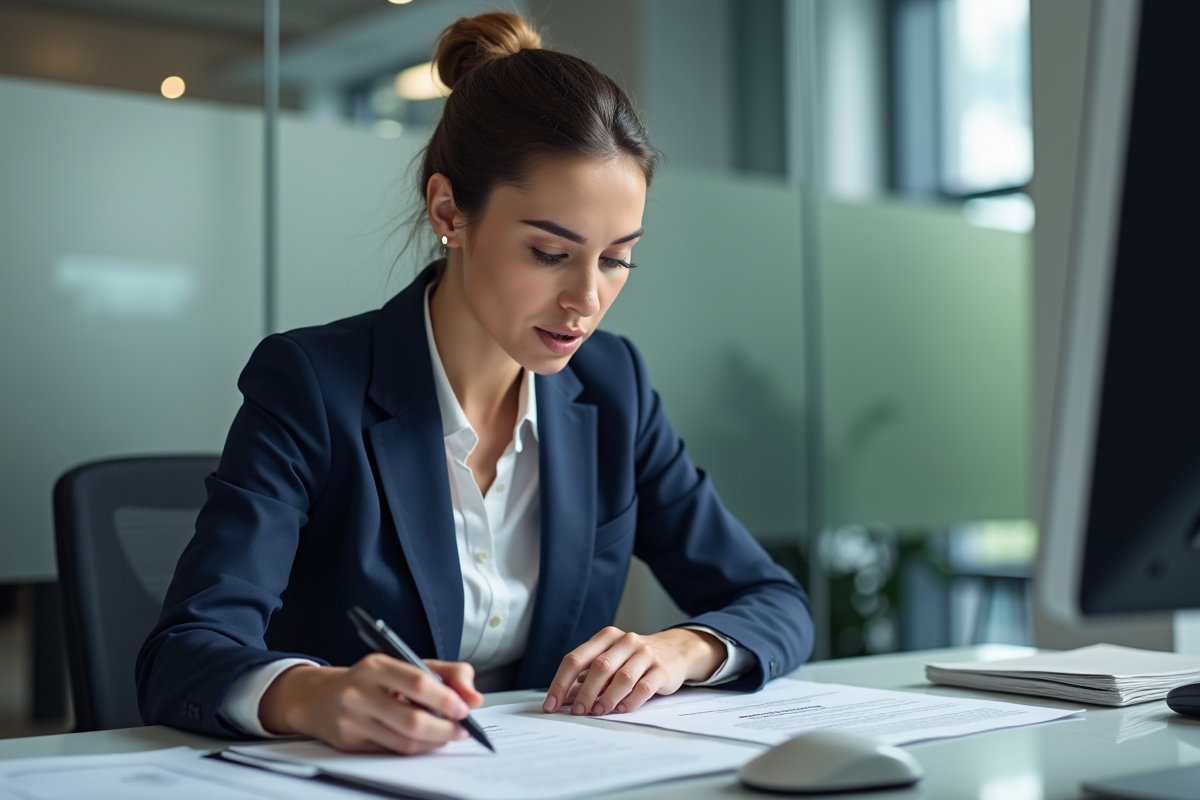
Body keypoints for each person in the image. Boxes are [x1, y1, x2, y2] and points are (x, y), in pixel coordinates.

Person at [136, 11, 813, 755]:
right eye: (550, 251)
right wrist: (314, 694)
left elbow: (771, 599)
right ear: (450, 212)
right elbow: (186, 650)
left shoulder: (612, 386)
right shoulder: (311, 384)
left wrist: (684, 650)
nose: (586, 299)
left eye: (617, 258)